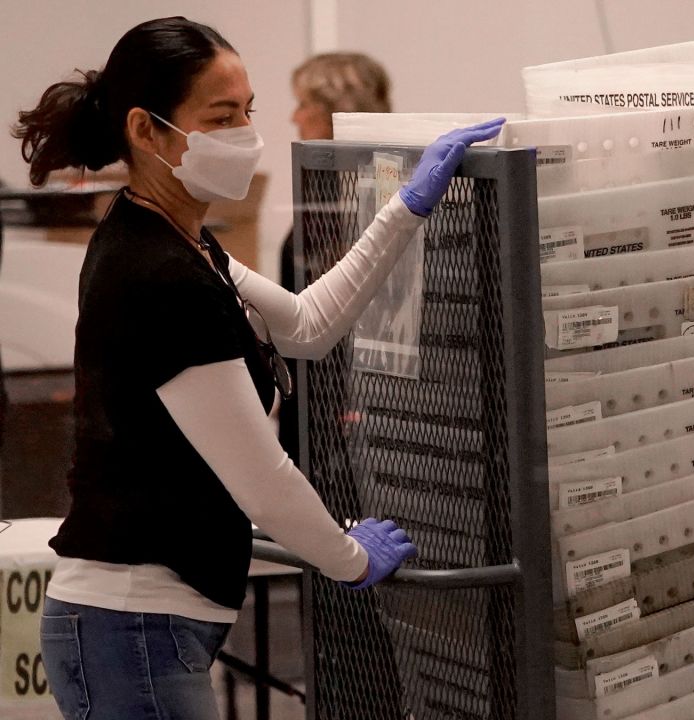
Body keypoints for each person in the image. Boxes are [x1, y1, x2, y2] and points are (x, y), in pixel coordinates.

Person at [11, 17, 503, 719]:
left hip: (146, 631)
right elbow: (262, 478)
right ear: (147, 131)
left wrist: (406, 207)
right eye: (220, 116)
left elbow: (304, 324)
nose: (246, 132)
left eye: (248, 111)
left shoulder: (181, 242)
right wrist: (349, 559)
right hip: (131, 630)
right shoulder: (155, 273)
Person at [279, 52, 392, 464]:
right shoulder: (324, 191)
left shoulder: (370, 194)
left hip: (345, 407)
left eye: (304, 103)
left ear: (335, 111)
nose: (295, 116)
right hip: (313, 396)